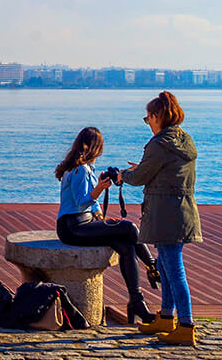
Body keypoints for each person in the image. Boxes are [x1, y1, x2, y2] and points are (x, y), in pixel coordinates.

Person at [122, 91, 202, 347]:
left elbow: (139, 178)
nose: (149, 124)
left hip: (165, 214)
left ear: (157, 117)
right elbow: (168, 174)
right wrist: (144, 170)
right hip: (183, 211)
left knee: (174, 268)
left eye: (148, 120)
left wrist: (124, 175)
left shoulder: (158, 144)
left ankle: (186, 325)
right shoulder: (185, 140)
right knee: (166, 266)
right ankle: (167, 317)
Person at [54, 127, 158, 324]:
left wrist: (100, 217)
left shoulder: (84, 169)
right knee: (128, 228)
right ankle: (153, 265)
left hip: (81, 224)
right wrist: (100, 188)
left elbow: (90, 204)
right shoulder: (80, 170)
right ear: (97, 148)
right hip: (73, 227)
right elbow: (81, 201)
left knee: (126, 247)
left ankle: (137, 304)